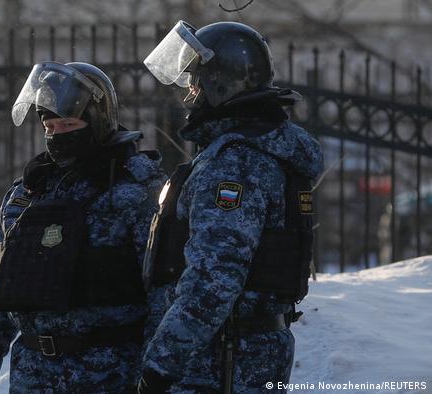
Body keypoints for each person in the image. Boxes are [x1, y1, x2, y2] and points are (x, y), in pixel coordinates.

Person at [0, 61, 166, 394]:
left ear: (96, 122)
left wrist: (157, 374)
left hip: (111, 376)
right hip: (32, 375)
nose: (57, 135)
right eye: (50, 127)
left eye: (68, 123)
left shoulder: (136, 192)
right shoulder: (25, 195)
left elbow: (164, 293)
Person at [138, 21, 324, 393]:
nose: (190, 94)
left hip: (218, 360)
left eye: (196, 82)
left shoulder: (234, 163)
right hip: (247, 351)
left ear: (220, 83)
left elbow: (213, 281)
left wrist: (160, 366)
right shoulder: (261, 149)